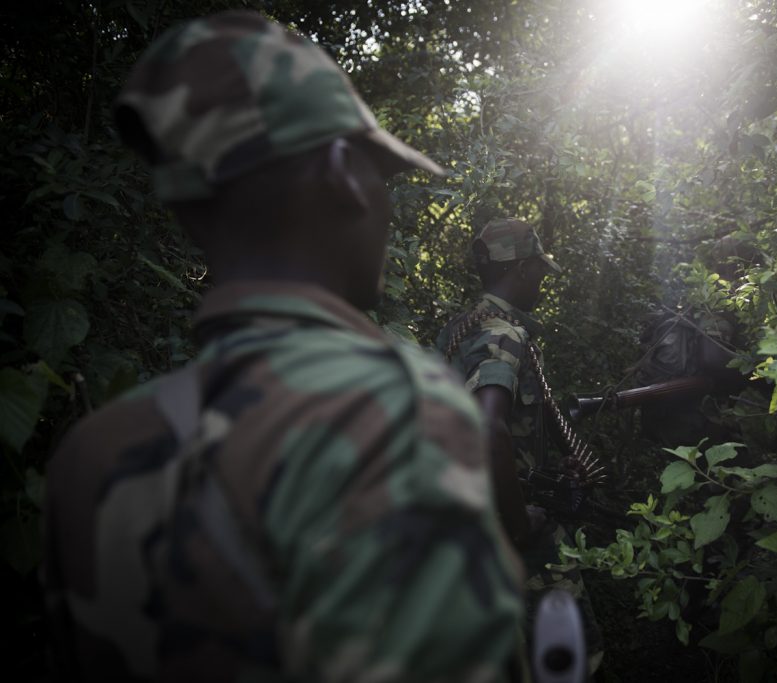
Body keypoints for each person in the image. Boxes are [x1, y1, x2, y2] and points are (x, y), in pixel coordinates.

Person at [42, 12, 523, 682]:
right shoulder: (398, 409)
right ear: (339, 172)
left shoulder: (89, 455)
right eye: (379, 168)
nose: (384, 199)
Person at [436, 218, 602, 675]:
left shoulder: (456, 331)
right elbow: (489, 430)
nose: (542, 283)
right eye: (541, 273)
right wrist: (520, 524)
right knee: (572, 661)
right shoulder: (503, 334)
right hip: (513, 532)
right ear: (524, 268)